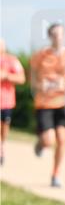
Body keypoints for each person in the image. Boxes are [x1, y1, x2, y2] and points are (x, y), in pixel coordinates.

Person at [30, 23, 65, 187]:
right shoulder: (40, 56)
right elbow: (32, 80)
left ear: (64, 36)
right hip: (44, 103)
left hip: (63, 103)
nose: (58, 37)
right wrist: (41, 86)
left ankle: (56, 174)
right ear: (50, 37)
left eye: (60, 34)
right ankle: (41, 143)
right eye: (54, 34)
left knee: (62, 139)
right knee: (49, 141)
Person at [0, 38, 27, 166]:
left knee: (4, 126)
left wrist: (6, 76)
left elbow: (22, 78)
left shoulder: (12, 60)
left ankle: (3, 145)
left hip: (6, 102)